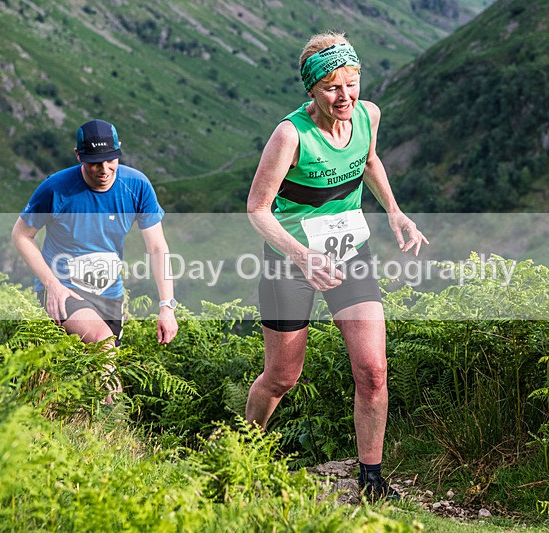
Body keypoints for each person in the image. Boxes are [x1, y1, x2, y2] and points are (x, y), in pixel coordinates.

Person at [245, 33, 428, 501]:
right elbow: (257, 209)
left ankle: (371, 480)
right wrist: (301, 254)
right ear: (312, 89)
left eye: (351, 84)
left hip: (350, 254)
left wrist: (394, 211)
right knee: (282, 376)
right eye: (331, 88)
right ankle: (242, 454)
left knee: (373, 371)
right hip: (292, 260)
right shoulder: (291, 135)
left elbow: (368, 161)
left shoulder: (369, 116)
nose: (345, 96)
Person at [12, 119, 178, 403]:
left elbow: (157, 247)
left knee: (94, 370)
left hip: (109, 294)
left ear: (119, 151)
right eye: (94, 164)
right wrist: (51, 285)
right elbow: (20, 236)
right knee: (103, 345)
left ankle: (82, 427)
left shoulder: (136, 185)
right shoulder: (56, 189)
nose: (104, 170)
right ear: (79, 157)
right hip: (64, 289)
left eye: (110, 160)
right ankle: (117, 427)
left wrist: (167, 306)